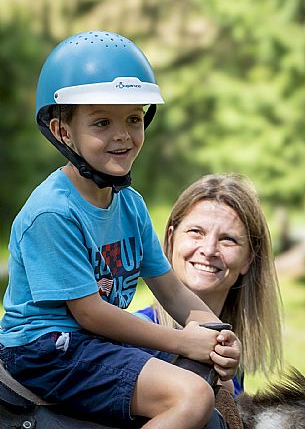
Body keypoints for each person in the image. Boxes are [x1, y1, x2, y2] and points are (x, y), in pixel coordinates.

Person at [0, 31, 241, 429]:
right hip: (47, 349)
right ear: (62, 131)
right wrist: (182, 340)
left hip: (91, 343)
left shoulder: (130, 204)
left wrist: (216, 334)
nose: (122, 135)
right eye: (101, 122)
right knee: (190, 394)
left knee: (204, 392)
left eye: (133, 118)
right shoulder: (52, 212)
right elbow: (90, 313)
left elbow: (172, 289)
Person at [136, 173, 283, 395]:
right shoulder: (134, 338)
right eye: (196, 232)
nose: (209, 249)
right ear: (171, 239)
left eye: (228, 239)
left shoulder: (230, 357)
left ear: (248, 259)